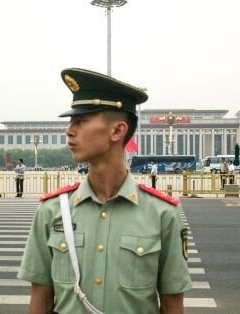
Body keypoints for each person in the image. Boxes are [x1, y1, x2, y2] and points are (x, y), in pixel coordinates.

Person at [17, 68, 192, 314]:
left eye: (81, 121)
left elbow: (172, 305)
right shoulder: (53, 210)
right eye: (70, 122)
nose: (69, 130)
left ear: (118, 131)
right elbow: (41, 300)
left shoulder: (162, 213)